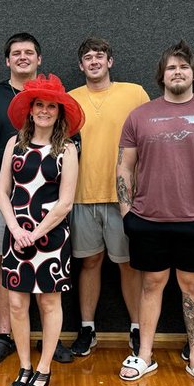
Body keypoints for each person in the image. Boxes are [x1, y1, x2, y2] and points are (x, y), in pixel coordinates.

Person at [116, 41, 194, 386]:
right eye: (171, 68)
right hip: (149, 219)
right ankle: (144, 356)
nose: (178, 72)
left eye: (183, 67)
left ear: (193, 73)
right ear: (162, 76)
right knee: (151, 284)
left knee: (193, 287)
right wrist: (127, 211)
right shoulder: (140, 115)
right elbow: (125, 167)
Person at [0, 33, 74, 366]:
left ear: (39, 59)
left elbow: (67, 190)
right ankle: (6, 339)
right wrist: (16, 157)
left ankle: (48, 347)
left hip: (51, 221)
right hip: (11, 215)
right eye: (16, 53)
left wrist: (38, 156)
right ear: (7, 60)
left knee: (47, 296)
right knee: (11, 283)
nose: (22, 57)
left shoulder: (63, 129)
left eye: (29, 52)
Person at [0, 75, 81, 386]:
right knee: (17, 304)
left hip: (51, 237)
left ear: (59, 112)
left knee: (49, 302)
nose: (45, 111)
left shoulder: (67, 149)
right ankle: (24, 366)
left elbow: (66, 202)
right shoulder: (13, 144)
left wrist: (36, 233)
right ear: (30, 110)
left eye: (51, 106)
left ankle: (44, 367)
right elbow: (2, 192)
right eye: (39, 105)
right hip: (16, 235)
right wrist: (17, 230)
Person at [66, 37, 149, 357]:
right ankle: (87, 328)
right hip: (81, 195)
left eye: (99, 56)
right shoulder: (69, 99)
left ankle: (138, 328)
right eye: (87, 57)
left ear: (110, 62)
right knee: (89, 263)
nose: (94, 61)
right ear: (81, 66)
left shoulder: (134, 93)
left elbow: (149, 140)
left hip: (125, 197)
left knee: (129, 265)